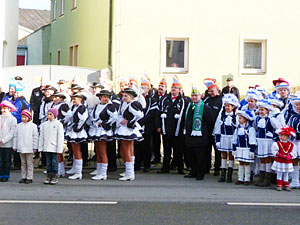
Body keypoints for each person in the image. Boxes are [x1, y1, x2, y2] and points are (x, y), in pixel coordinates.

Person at [157, 75, 188, 174]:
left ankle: (180, 168)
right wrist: (158, 126)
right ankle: (165, 167)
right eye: (172, 88)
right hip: (166, 128)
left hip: (178, 130)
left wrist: (184, 127)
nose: (174, 90)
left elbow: (185, 116)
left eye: (176, 88)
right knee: (166, 149)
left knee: (178, 150)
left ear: (180, 90)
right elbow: (158, 113)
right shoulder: (164, 99)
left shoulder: (183, 100)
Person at [183, 85, 214, 180]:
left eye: (196, 96)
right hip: (190, 136)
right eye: (192, 96)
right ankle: (193, 171)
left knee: (200, 156)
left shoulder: (205, 108)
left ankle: (200, 173)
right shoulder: (189, 107)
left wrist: (205, 133)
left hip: (200, 137)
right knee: (191, 155)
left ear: (200, 96)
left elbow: (210, 122)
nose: (194, 97)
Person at [115, 88, 144, 181]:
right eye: (123, 95)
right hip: (125, 128)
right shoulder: (125, 104)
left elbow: (140, 115)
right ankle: (129, 171)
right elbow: (120, 115)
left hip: (128, 129)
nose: (123, 97)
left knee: (126, 151)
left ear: (131, 97)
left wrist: (130, 121)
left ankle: (130, 173)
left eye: (126, 96)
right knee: (127, 151)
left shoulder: (132, 105)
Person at [88, 90, 117, 180]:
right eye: (104, 97)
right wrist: (95, 123)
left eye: (107, 97)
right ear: (99, 97)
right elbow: (93, 117)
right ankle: (99, 169)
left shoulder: (110, 106)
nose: (106, 99)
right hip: (96, 129)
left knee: (102, 151)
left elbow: (115, 117)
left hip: (104, 131)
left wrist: (106, 124)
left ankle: (103, 173)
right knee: (98, 151)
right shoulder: (97, 106)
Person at [253, 99, 280, 187]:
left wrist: (273, 135)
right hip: (260, 141)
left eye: (263, 110)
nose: (260, 111)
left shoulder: (271, 119)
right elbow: (254, 128)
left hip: (268, 142)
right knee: (262, 159)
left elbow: (279, 129)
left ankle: (267, 179)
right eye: (259, 110)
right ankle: (261, 177)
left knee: (267, 159)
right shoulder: (257, 119)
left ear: (267, 110)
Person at [214, 94, 240, 183]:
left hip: (231, 138)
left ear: (233, 107)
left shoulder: (236, 117)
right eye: (226, 105)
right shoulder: (221, 116)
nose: (227, 107)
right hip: (223, 137)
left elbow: (237, 128)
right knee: (223, 155)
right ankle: (223, 174)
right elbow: (217, 128)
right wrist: (217, 139)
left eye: (229, 106)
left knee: (231, 155)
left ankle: (229, 175)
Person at [135, 76, 157, 172]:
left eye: (145, 87)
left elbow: (151, 114)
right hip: (136, 127)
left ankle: (146, 165)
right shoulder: (136, 99)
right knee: (137, 146)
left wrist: (142, 121)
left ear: (148, 89)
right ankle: (137, 164)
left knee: (147, 146)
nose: (143, 89)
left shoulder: (152, 100)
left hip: (147, 127)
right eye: (141, 87)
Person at [65, 93, 88, 180]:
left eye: (76, 99)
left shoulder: (82, 108)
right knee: (74, 150)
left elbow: (83, 119)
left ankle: (78, 172)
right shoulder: (74, 107)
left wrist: (77, 127)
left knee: (77, 150)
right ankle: (75, 168)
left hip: (77, 132)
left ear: (81, 100)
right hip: (72, 130)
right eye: (73, 99)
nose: (73, 100)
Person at [203, 78, 223, 175]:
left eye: (212, 91)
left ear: (217, 90)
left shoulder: (222, 100)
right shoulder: (207, 99)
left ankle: (217, 168)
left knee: (217, 150)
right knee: (207, 148)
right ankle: (206, 166)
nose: (211, 93)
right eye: (209, 91)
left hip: (217, 128)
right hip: (207, 128)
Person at [39, 108, 64, 185]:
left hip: (54, 147)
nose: (49, 116)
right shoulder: (44, 125)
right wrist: (41, 147)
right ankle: (49, 176)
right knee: (48, 162)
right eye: (48, 114)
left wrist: (59, 148)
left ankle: (54, 176)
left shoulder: (58, 124)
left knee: (54, 161)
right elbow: (41, 136)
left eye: (51, 114)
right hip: (47, 147)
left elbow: (60, 137)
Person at [13, 109, 38, 184]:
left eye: (25, 117)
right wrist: (15, 146)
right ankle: (23, 176)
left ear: (29, 117)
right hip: (21, 147)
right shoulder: (18, 126)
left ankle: (29, 177)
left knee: (29, 163)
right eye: (22, 117)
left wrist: (35, 147)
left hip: (29, 147)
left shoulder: (33, 126)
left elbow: (35, 137)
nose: (23, 118)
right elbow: (15, 136)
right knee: (23, 163)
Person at [233, 110, 256, 185]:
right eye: (238, 118)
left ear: (246, 119)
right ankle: (240, 178)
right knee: (241, 163)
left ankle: (247, 178)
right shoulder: (238, 129)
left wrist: (252, 150)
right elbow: (235, 139)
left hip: (247, 149)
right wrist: (234, 149)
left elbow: (252, 140)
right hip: (240, 149)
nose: (239, 120)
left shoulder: (250, 129)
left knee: (247, 163)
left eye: (240, 118)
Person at [271, 126, 297, 191]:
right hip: (279, 160)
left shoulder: (291, 145)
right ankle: (279, 185)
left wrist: (290, 156)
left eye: (283, 136)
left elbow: (294, 152)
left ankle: (286, 185)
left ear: (287, 137)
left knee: (286, 173)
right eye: (280, 135)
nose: (281, 137)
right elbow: (274, 151)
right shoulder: (277, 144)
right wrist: (279, 154)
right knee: (279, 172)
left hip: (287, 161)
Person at [51, 92, 70, 177]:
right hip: (52, 129)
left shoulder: (63, 106)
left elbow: (66, 117)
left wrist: (61, 123)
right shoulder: (53, 105)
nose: (54, 99)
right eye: (54, 97)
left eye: (57, 97)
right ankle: (57, 168)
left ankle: (59, 169)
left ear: (61, 98)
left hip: (59, 130)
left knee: (58, 149)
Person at [0, 100, 17, 182]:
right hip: (0, 143)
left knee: (6, 160)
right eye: (2, 108)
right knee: (0, 160)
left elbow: (12, 132)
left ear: (9, 109)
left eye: (5, 108)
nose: (3, 110)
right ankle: (1, 174)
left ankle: (6, 175)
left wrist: (3, 140)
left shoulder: (12, 119)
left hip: (8, 144)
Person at [152, 77, 168, 164]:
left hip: (165, 124)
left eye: (163, 86)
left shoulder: (167, 98)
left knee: (166, 143)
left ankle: (167, 158)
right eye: (159, 86)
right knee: (155, 142)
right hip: (155, 123)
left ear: (166, 88)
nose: (161, 87)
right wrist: (157, 125)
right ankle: (157, 157)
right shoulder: (154, 97)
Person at [287, 91, 300, 189]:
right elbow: (288, 128)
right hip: (295, 142)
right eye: (297, 105)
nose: (298, 107)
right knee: (294, 160)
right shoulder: (293, 117)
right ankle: (295, 181)